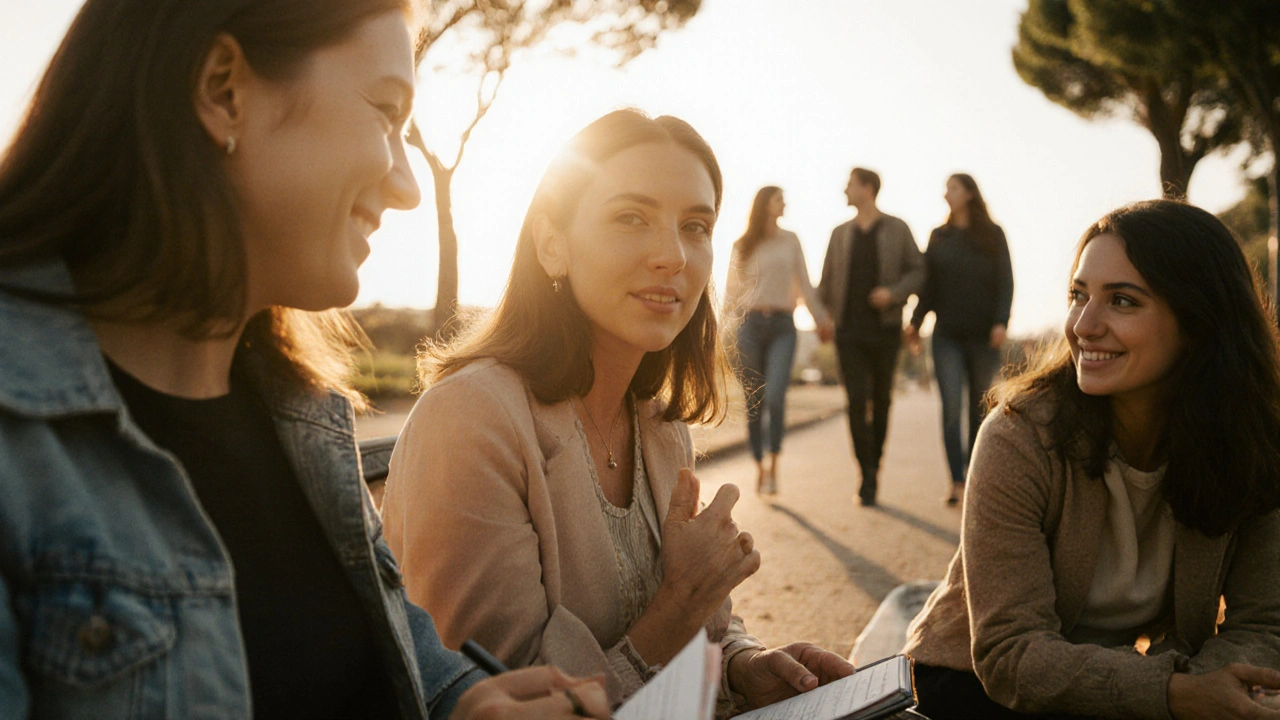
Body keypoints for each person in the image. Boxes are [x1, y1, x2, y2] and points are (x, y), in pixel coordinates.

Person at [0, 1, 610, 718]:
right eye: (386, 113)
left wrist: (460, 700)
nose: (409, 187)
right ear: (225, 90)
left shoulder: (300, 417)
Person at [381, 109, 854, 714]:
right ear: (553, 244)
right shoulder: (470, 420)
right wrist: (680, 604)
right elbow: (502, 700)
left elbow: (706, 631)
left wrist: (744, 667)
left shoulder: (657, 424)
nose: (673, 255)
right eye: (631, 217)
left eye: (695, 225)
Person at [903, 199, 1280, 720]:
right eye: (1077, 296)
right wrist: (1175, 694)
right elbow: (1012, 654)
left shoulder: (1254, 440)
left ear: (1199, 320)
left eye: (1122, 301)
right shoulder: (1018, 436)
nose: (1083, 325)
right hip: (974, 691)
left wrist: (1214, 688)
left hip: (1142, 687)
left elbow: (1264, 625)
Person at [817, 167, 924, 506]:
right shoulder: (839, 234)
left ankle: (873, 465)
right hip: (848, 331)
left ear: (867, 188)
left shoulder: (897, 228)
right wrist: (820, 316)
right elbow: (826, 282)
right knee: (854, 402)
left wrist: (893, 294)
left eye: (849, 184)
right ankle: (867, 474)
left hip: (885, 330)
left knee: (881, 402)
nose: (844, 189)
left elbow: (918, 270)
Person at [905, 173, 1014, 506]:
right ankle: (956, 480)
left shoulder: (993, 235)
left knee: (979, 410)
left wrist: (1001, 321)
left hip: (983, 335)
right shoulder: (939, 236)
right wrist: (915, 321)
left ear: (968, 193)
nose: (945, 194)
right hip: (947, 335)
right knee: (951, 408)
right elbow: (929, 286)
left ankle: (976, 477)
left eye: (952, 188)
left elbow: (1005, 280)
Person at [723, 186, 831, 495]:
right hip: (750, 325)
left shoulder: (791, 240)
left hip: (784, 324)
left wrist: (821, 320)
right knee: (754, 400)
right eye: (778, 199)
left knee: (776, 396)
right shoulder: (742, 245)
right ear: (765, 205)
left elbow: (806, 285)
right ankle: (759, 464)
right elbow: (731, 294)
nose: (784, 203)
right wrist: (719, 332)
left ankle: (773, 465)